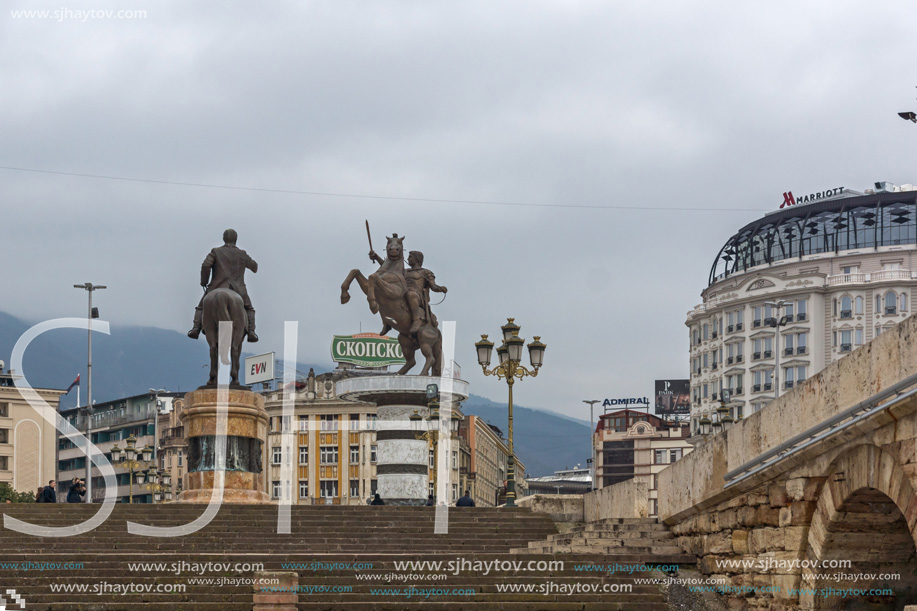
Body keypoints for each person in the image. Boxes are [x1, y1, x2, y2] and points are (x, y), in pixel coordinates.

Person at [188, 229, 259, 342]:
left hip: (216, 287)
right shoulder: (242, 254)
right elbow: (255, 267)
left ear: (224, 238)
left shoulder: (215, 251)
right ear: (235, 239)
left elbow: (206, 265)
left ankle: (195, 329)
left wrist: (204, 282)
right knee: (249, 308)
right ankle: (251, 332)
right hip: (238, 289)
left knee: (200, 307)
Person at [404, 251, 447, 334]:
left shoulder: (426, 272)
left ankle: (416, 320)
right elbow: (390, 270)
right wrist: (376, 257)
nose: (407, 259)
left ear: (416, 259)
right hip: (403, 294)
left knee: (410, 294)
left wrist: (440, 288)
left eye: (410, 257)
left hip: (417, 297)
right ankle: (387, 322)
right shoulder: (404, 271)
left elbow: (433, 286)